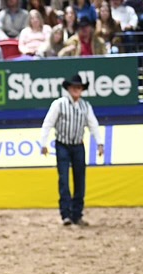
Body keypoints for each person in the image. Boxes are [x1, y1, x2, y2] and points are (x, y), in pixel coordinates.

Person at [40, 73, 104, 226]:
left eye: (79, 87)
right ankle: (66, 214)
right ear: (69, 88)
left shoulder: (85, 106)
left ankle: (77, 214)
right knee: (64, 180)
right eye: (74, 87)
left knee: (80, 180)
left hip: (78, 145)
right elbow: (48, 123)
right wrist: (43, 143)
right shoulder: (59, 104)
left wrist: (100, 143)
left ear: (82, 89)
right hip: (62, 144)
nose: (77, 89)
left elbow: (93, 124)